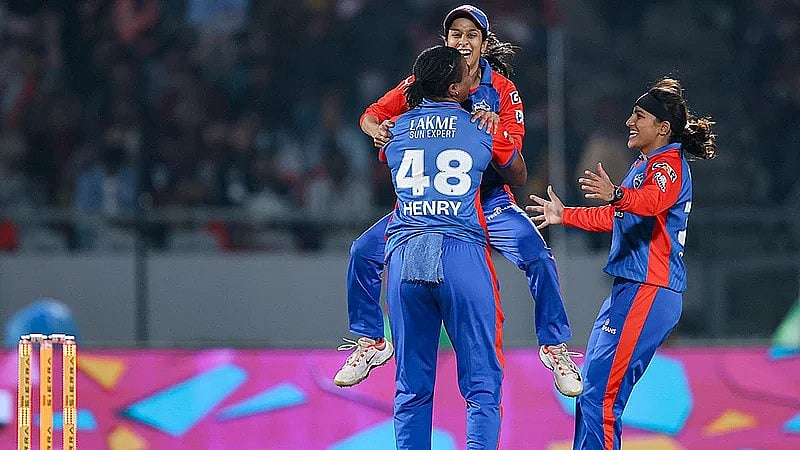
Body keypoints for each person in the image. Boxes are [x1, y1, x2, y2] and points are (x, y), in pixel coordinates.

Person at [335, 4, 583, 398]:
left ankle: (555, 348)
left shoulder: (502, 89)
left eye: (471, 35)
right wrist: (378, 130)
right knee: (363, 251)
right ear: (446, 40)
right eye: (456, 35)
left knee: (537, 255)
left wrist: (493, 133)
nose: (463, 42)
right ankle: (370, 341)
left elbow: (514, 164)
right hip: (433, 208)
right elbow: (371, 115)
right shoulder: (425, 80)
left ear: (484, 44)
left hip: (488, 201)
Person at [527, 77, 717, 449]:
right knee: (590, 392)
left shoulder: (667, 166)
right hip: (628, 292)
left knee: (602, 397)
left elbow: (649, 203)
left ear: (662, 128)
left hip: (649, 291)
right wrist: (565, 216)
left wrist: (616, 193)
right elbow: (619, 218)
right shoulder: (643, 167)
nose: (630, 122)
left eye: (639, 115)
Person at [382, 44, 526, 450]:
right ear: (454, 86)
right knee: (482, 383)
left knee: (411, 387)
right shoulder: (480, 124)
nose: (473, 76)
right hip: (461, 253)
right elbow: (516, 173)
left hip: (406, 254)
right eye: (466, 73)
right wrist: (493, 125)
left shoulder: (395, 129)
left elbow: (391, 147)